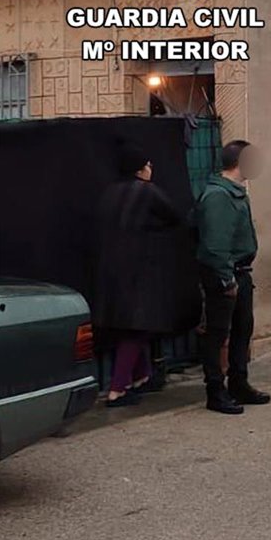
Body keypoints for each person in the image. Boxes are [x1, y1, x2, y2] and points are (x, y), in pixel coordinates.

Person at [93, 141, 184, 407]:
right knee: (137, 328)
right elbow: (174, 216)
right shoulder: (147, 191)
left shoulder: (108, 193)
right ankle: (117, 389)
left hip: (110, 272)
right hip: (139, 272)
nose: (151, 168)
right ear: (139, 169)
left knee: (129, 327)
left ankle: (141, 376)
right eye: (148, 164)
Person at [196, 140, 268, 415]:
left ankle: (239, 383)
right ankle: (215, 390)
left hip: (240, 272)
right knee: (217, 333)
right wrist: (226, 280)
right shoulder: (218, 196)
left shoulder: (235, 193)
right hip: (224, 274)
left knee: (242, 329)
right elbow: (215, 244)